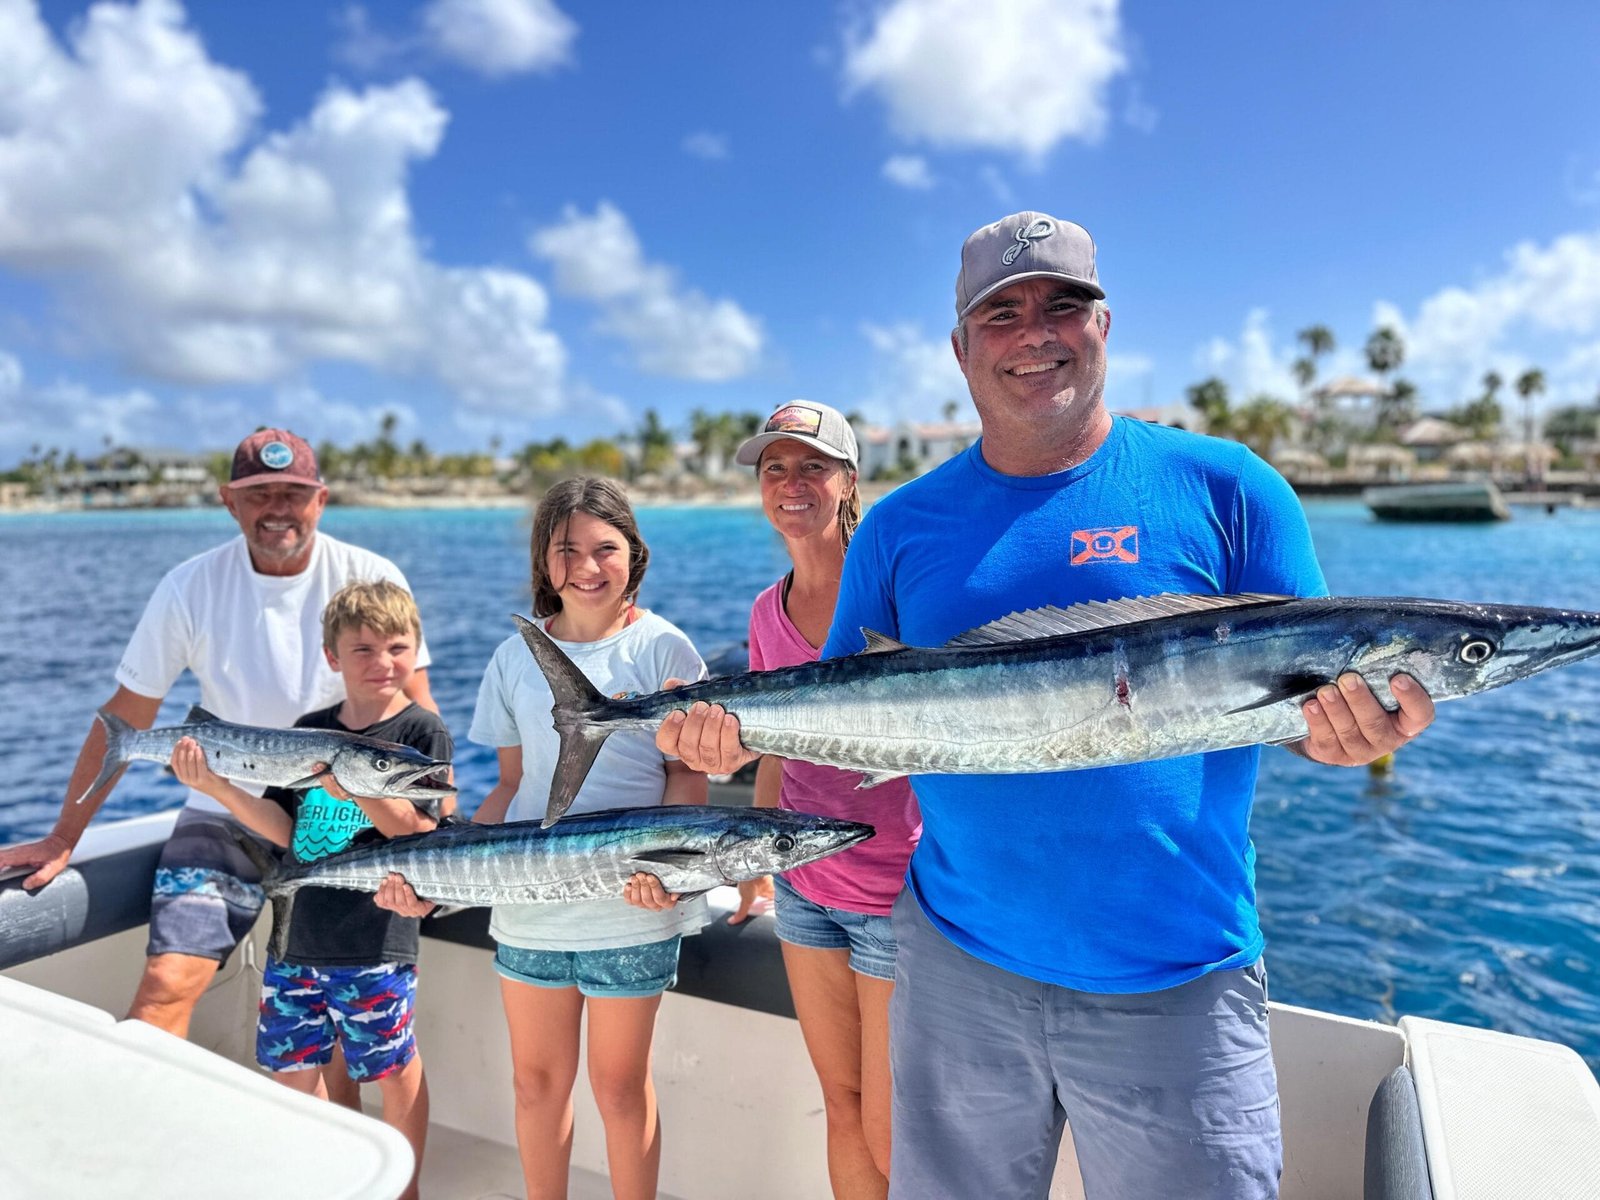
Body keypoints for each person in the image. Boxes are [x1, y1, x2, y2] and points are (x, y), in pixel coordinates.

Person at [658, 211, 1438, 1200]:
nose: (1034, 332)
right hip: (951, 966)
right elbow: (841, 702)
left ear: (1103, 324)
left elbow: (1303, 702)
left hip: (1179, 979)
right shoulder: (897, 528)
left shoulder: (1230, 488)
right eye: (1001, 313)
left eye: (1062, 304)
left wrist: (1359, 740)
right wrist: (717, 733)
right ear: (959, 347)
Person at [0, 428, 435, 1061]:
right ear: (230, 502)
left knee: (349, 1023)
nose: (278, 508)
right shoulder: (189, 587)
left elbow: (417, 712)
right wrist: (65, 835)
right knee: (166, 984)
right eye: (260, 495)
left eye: (294, 492)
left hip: (343, 819)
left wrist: (434, 833)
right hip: (224, 809)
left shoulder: (369, 576)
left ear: (320, 500)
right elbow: (122, 720)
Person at [379, 475, 709, 1200]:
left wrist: (675, 879)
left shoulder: (664, 650)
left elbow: (687, 783)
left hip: (631, 906)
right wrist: (439, 877)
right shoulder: (513, 657)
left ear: (635, 555)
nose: (588, 568)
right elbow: (509, 786)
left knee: (620, 1090)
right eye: (568, 551)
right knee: (535, 1085)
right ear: (543, 561)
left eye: (606, 549)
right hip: (528, 906)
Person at [168, 579, 447, 1200]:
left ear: (417, 649)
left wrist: (363, 789)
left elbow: (424, 832)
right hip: (295, 941)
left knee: (394, 1076)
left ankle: (407, 1192)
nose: (383, 663)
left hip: (377, 942)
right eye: (364, 650)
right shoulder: (309, 728)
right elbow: (285, 828)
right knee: (296, 1079)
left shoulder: (422, 733)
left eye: (398, 647)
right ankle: (341, 1184)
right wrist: (217, 788)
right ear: (333, 658)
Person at [727, 400, 921, 1200]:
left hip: (891, 891)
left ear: (848, 482)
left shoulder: (897, 597)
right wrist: (755, 866)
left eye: (812, 466)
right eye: (775, 468)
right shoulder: (764, 614)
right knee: (840, 1106)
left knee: (890, 1124)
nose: (791, 482)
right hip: (805, 891)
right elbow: (775, 750)